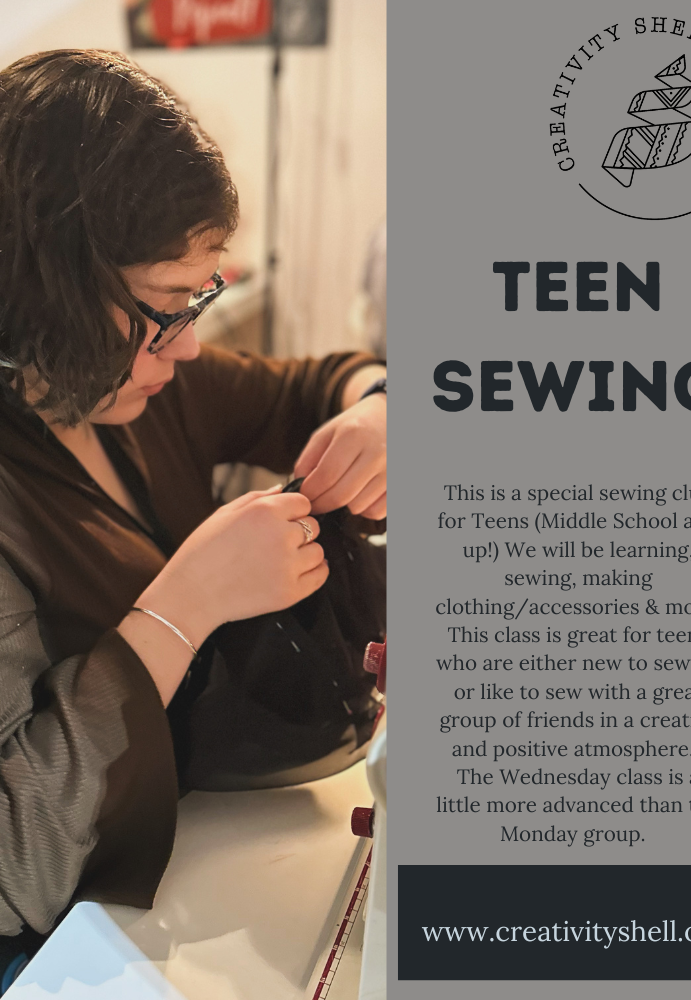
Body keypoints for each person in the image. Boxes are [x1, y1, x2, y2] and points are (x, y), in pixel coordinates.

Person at [0, 49, 386, 943]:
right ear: (50, 287)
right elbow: (16, 860)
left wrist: (378, 408)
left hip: (204, 857)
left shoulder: (129, 387)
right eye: (167, 306)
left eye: (198, 299)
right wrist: (182, 608)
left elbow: (311, 387)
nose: (189, 347)